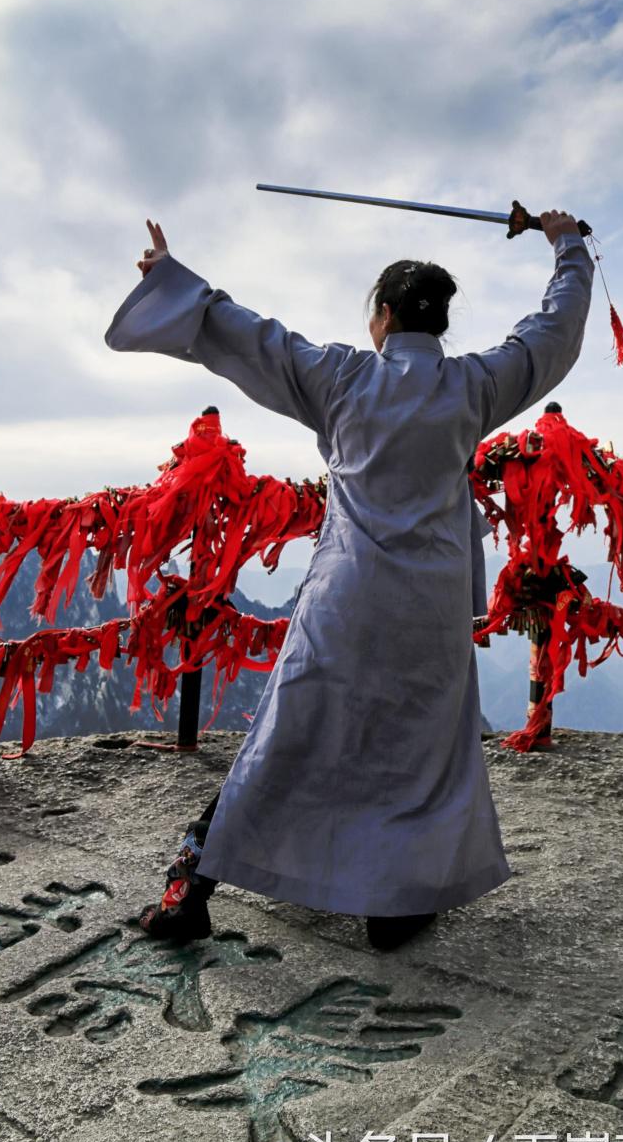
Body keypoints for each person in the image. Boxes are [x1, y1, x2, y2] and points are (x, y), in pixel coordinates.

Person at [105, 211, 594, 950]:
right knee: (417, 757)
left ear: (385, 317)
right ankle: (394, 905)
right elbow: (551, 334)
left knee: (287, 739)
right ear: (439, 322)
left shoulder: (341, 376)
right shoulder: (475, 386)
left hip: (346, 599)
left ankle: (189, 888)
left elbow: (251, 336)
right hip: (429, 612)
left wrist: (175, 281)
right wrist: (567, 246)